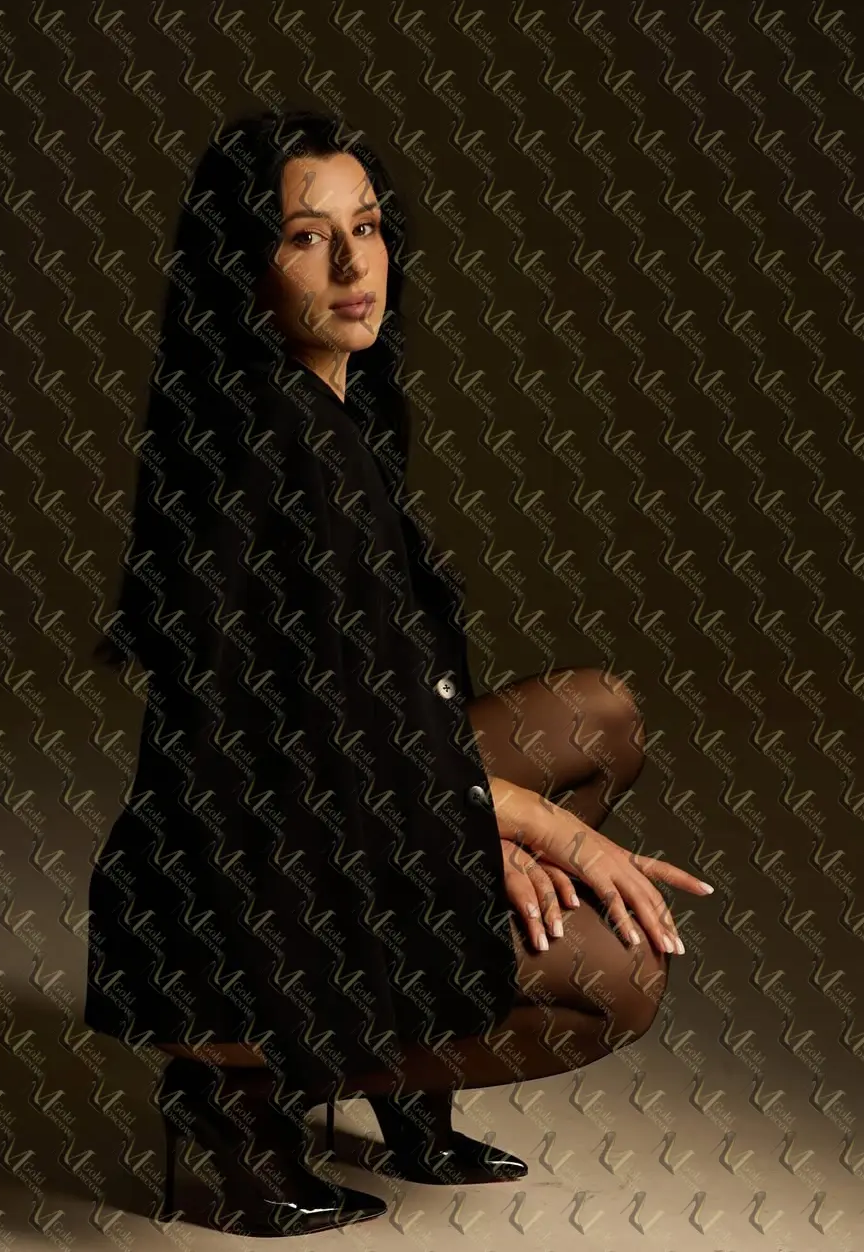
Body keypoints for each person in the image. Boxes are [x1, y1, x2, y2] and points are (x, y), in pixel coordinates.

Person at [86, 108, 712, 1236]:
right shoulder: (268, 445)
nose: (351, 263)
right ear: (244, 266)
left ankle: (408, 1085)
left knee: (598, 715)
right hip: (244, 880)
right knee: (618, 980)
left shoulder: (325, 408)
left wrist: (478, 831)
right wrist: (528, 833)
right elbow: (314, 745)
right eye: (304, 236)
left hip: (331, 797)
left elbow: (386, 697)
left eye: (366, 227)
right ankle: (233, 1093)